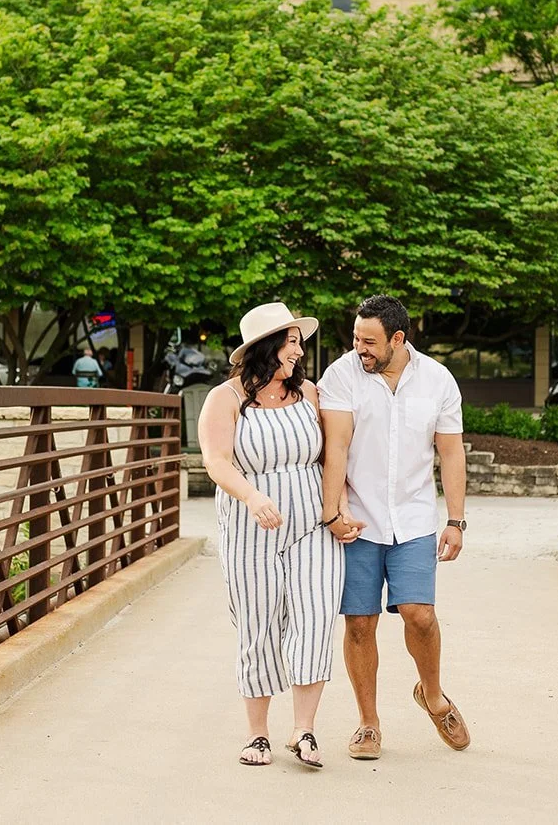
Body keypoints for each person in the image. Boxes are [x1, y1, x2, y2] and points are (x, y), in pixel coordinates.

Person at [197, 302, 353, 769]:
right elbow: (217, 461)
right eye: (291, 343)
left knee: (315, 617)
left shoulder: (308, 392)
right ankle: (257, 734)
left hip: (311, 526)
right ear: (268, 348)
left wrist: (339, 510)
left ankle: (304, 731)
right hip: (251, 527)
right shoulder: (223, 399)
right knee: (258, 625)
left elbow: (334, 455)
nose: (299, 351)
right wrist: (252, 497)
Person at [319, 294, 470, 761]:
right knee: (360, 623)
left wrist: (456, 520)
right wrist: (332, 514)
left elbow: (450, 452)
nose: (358, 348)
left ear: (398, 339)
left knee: (419, 614)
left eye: (369, 341)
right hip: (359, 520)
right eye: (355, 338)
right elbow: (336, 449)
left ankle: (433, 693)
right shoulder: (341, 375)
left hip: (416, 517)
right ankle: (368, 723)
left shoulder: (438, 379)